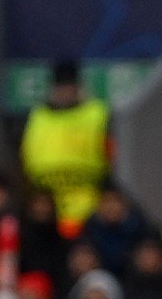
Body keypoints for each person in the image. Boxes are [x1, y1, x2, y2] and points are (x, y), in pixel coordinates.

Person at [20, 60, 109, 238]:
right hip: (44, 214)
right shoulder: (37, 117)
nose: (65, 92)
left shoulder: (97, 114)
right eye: (61, 87)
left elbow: (112, 160)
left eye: (70, 86)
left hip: (89, 214)